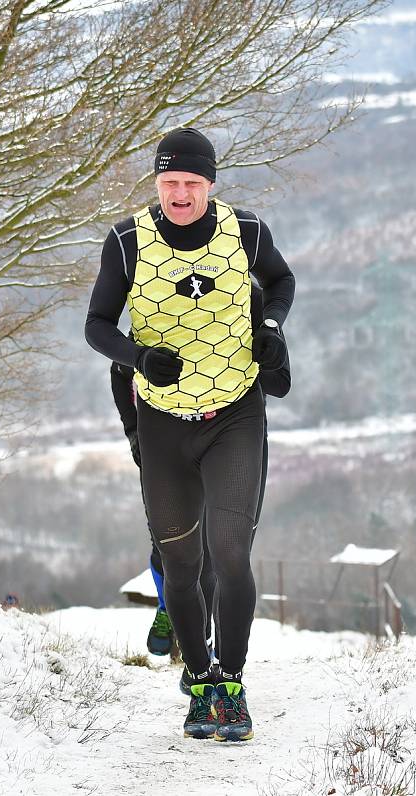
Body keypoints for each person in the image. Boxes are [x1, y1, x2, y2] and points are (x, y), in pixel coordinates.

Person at [86, 127, 294, 742]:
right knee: (179, 562)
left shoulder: (246, 231)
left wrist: (273, 329)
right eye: (170, 182)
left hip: (235, 412)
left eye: (192, 183)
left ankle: (232, 683)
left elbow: (282, 283)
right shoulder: (127, 241)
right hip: (162, 421)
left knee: (230, 555)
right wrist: (137, 356)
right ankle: (200, 680)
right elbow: (97, 325)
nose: (180, 193)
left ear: (210, 184)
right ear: (157, 183)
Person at [110, 285, 290, 661]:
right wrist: (134, 432)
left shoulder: (249, 296)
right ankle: (173, 608)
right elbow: (119, 371)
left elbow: (281, 382)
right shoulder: (158, 301)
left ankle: (214, 660)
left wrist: (266, 352)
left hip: (235, 441)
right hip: (167, 439)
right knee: (176, 549)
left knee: (224, 553)